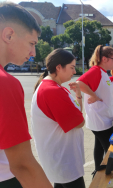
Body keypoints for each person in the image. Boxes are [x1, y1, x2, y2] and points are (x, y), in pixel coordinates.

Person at [0, 2, 52, 188]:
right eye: (32, 43)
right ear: (8, 35)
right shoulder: (5, 83)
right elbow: (22, 165)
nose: (33, 53)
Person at [31, 49, 86, 188]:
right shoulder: (52, 91)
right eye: (72, 67)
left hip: (61, 160)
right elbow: (79, 122)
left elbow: (76, 115)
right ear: (59, 67)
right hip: (65, 163)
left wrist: (79, 95)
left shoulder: (55, 87)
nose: (74, 72)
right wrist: (79, 114)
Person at [77, 45, 113, 176]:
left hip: (103, 118)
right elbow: (79, 83)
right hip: (99, 119)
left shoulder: (102, 72)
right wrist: (93, 96)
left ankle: (97, 171)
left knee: (99, 146)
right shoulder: (96, 70)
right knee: (111, 149)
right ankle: (109, 174)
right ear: (105, 59)